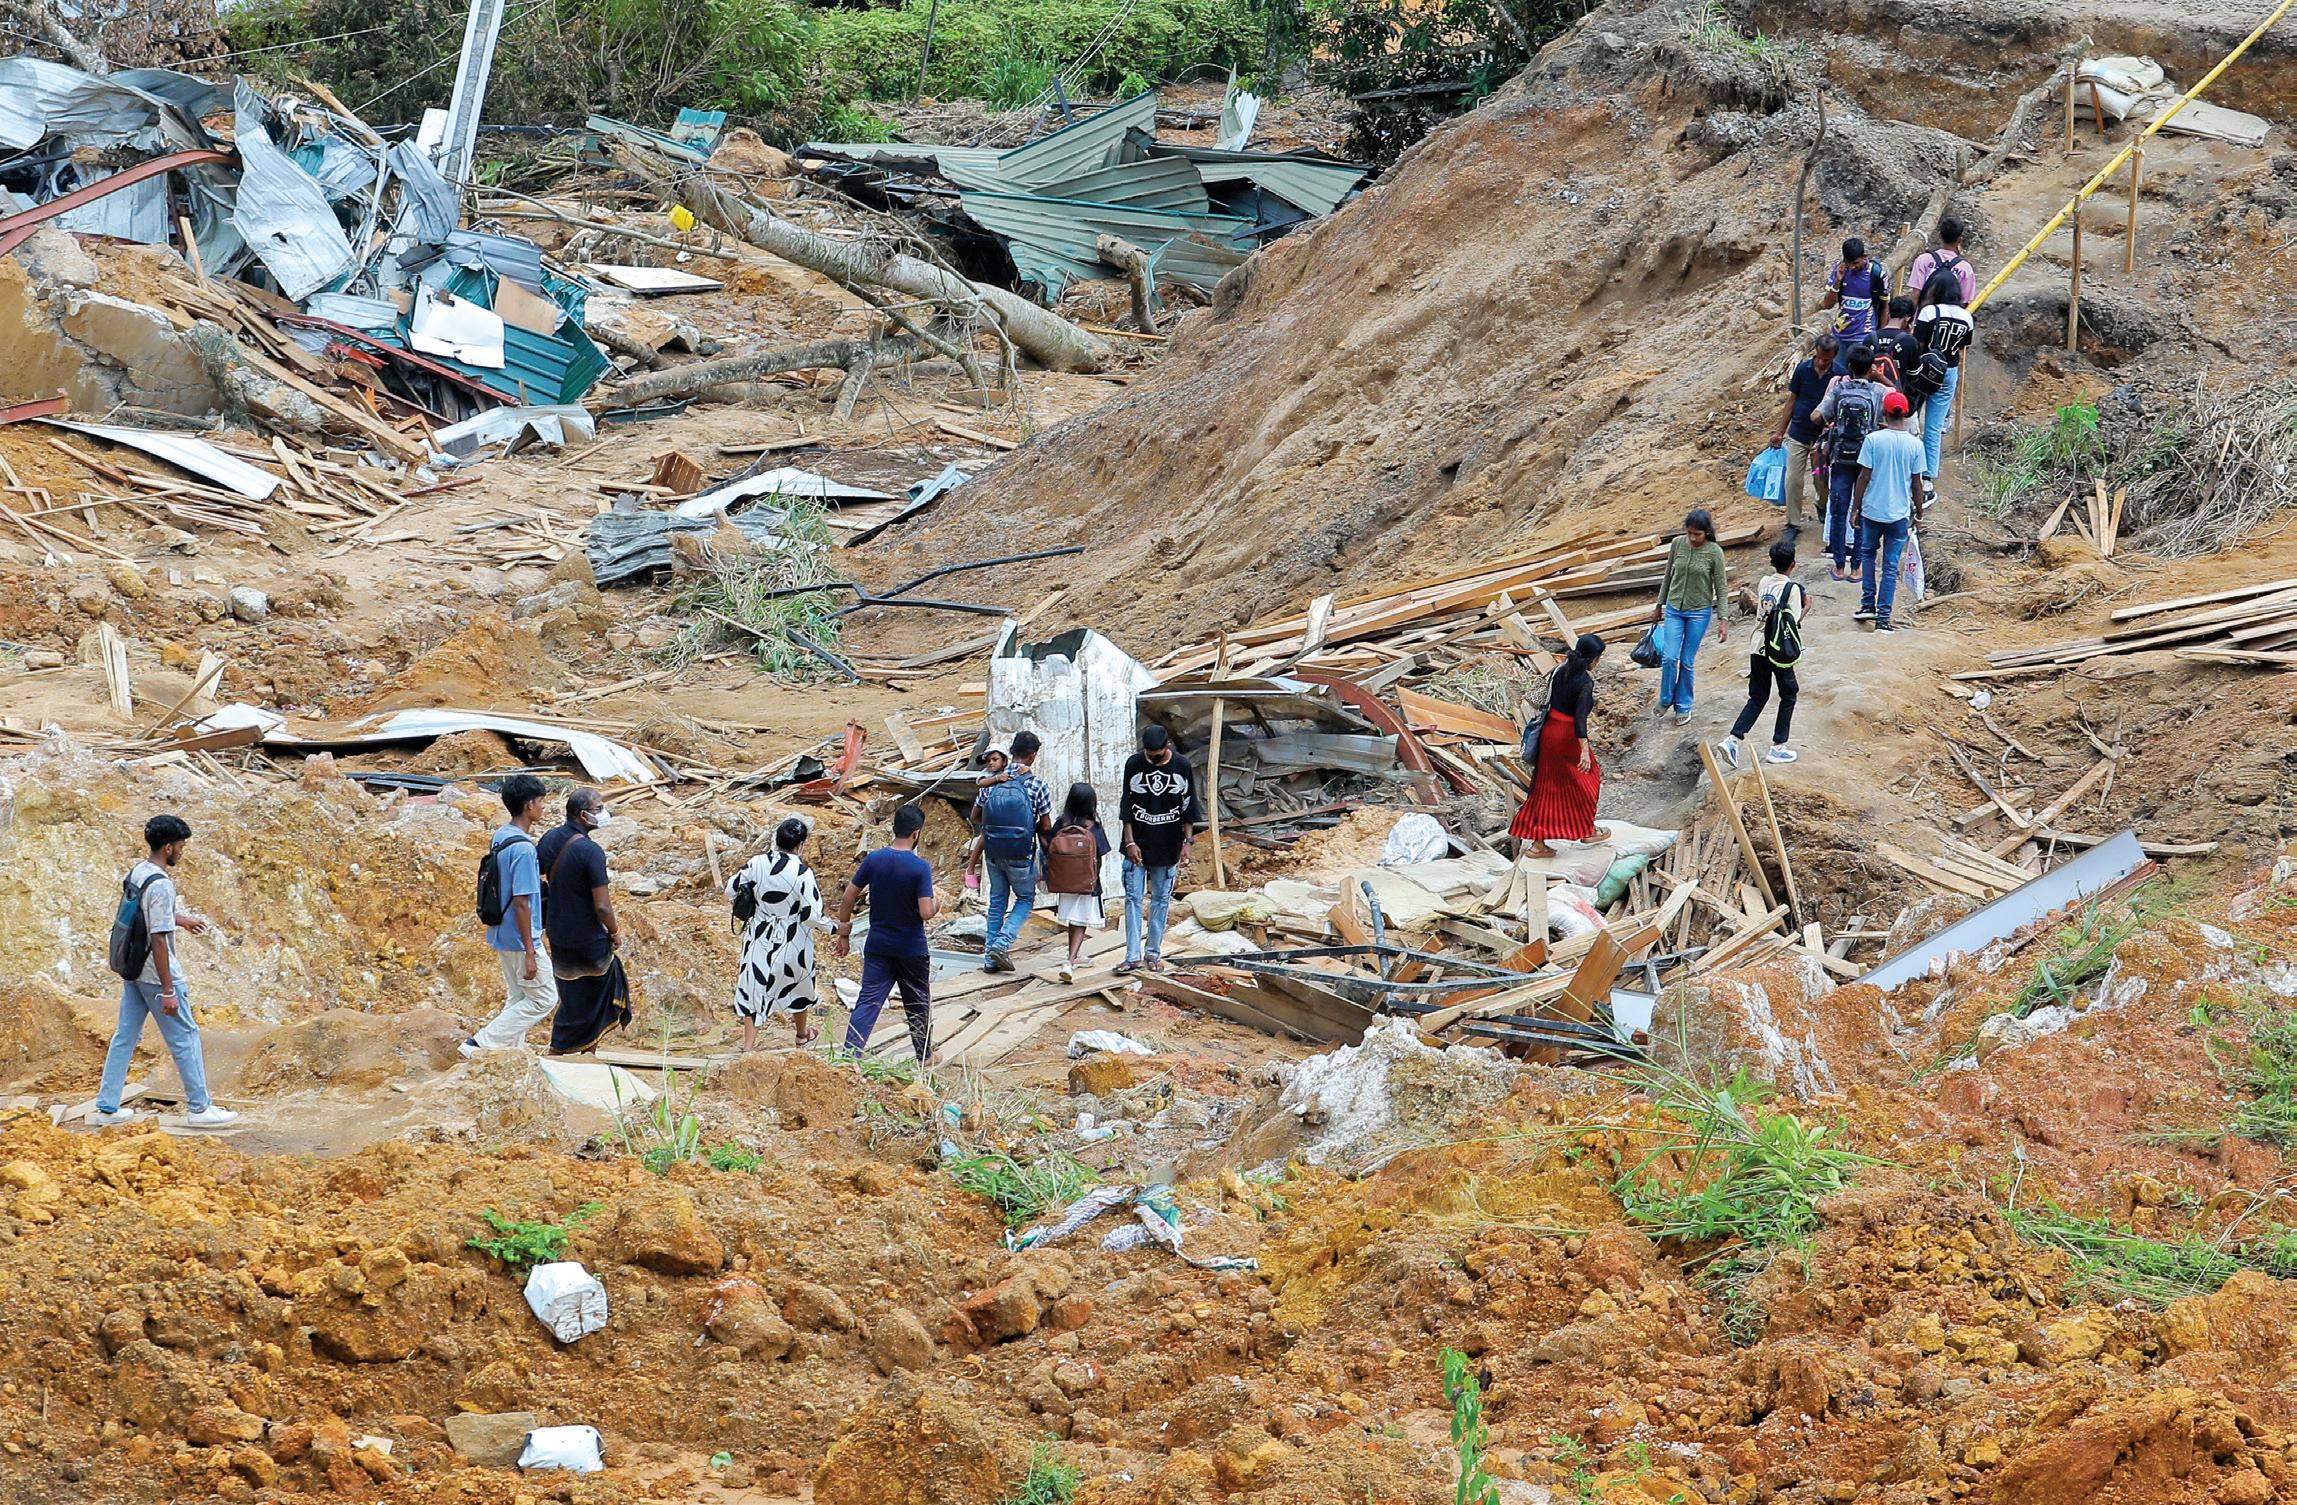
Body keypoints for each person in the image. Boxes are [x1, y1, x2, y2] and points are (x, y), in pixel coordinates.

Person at [92, 815, 238, 1127]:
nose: (182, 852)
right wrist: (169, 990)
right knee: (185, 1036)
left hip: (132, 970)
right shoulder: (162, 885)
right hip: (156, 976)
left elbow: (145, 915)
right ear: (168, 847)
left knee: (125, 1037)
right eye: (181, 846)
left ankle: (107, 1106)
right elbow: (158, 939)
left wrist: (180, 920)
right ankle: (200, 1108)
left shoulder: (139, 872)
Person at [834, 803, 940, 1065]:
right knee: (916, 1000)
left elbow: (848, 897)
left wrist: (844, 932)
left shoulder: (874, 860)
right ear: (916, 833)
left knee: (868, 1000)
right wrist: (938, 903)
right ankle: (924, 1056)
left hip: (878, 944)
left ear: (895, 829)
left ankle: (850, 1055)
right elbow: (926, 912)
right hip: (910, 948)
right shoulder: (919, 868)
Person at [462, 774, 555, 1056]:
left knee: (518, 997)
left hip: (500, 931)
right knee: (544, 999)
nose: (543, 808)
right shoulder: (525, 849)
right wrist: (531, 951)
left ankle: (511, 1056)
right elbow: (522, 903)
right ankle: (480, 1043)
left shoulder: (502, 836)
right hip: (520, 936)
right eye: (540, 802)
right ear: (529, 805)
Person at [536, 788, 629, 1056]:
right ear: (583, 815)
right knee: (603, 990)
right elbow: (602, 905)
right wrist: (614, 931)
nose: (603, 813)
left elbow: (540, 874)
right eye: (599, 809)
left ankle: (567, 1050)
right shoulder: (591, 852)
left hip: (557, 931)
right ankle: (581, 1052)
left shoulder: (550, 839)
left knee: (572, 994)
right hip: (588, 935)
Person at [1509, 635, 1609, 856]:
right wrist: (1584, 750)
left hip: (1549, 732)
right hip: (1567, 737)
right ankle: (1587, 830)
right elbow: (1580, 719)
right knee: (1587, 781)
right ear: (1593, 660)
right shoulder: (1585, 682)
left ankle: (1538, 843)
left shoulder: (1560, 669)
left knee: (1545, 788)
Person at [730, 817, 825, 1051]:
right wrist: (833, 928)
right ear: (800, 845)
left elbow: (731, 890)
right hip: (794, 938)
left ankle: (748, 1046)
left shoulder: (756, 863)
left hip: (760, 934)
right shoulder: (803, 873)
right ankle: (802, 1034)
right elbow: (812, 914)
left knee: (754, 985)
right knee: (799, 984)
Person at [1116, 724, 1199, 975]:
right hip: (1137, 844)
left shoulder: (1182, 766)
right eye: (1149, 755)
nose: (1152, 759)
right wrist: (1130, 842)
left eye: (1157, 755)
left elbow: (1189, 807)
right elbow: (1126, 807)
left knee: (1161, 900)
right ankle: (1131, 956)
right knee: (1132, 899)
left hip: (1168, 844)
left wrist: (1187, 843)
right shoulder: (1134, 763)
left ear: (1167, 747)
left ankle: (1153, 953)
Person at [1720, 538, 1808, 769]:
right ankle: (1778, 746)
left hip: (1757, 645)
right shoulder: (1793, 589)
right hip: (1778, 649)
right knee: (1789, 692)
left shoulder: (1764, 582)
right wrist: (1807, 607)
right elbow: (1793, 621)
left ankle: (1733, 740)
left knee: (1758, 696)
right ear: (1793, 565)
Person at [973, 729, 1052, 972]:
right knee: (1025, 898)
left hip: (993, 852)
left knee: (997, 902)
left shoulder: (993, 779)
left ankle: (989, 959)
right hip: (1020, 854)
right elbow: (1046, 826)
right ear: (1032, 756)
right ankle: (1002, 943)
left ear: (1011, 753)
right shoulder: (1037, 785)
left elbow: (975, 816)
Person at [1851, 391, 1929, 633]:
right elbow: (1917, 483)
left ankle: (1867, 605)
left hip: (1872, 510)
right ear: (1905, 414)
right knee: (1890, 565)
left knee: (1867, 556)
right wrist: (1918, 512)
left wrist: (1856, 506)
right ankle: (1884, 618)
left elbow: (1864, 476)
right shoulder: (1915, 444)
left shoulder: (1874, 440)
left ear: (1884, 412)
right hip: (1898, 514)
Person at [1813, 345, 1891, 581]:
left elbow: (1816, 416)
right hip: (1867, 459)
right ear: (1871, 368)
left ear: (1848, 367)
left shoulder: (1839, 389)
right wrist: (1880, 377)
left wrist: (1833, 423)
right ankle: (1857, 568)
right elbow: (1901, 403)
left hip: (1841, 458)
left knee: (1838, 509)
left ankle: (1838, 566)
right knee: (1862, 510)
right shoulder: (1879, 391)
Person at [1650, 508, 1728, 726]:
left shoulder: (1714, 553)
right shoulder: (1677, 544)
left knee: (1686, 661)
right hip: (1674, 609)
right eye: (1689, 533)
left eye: (1697, 534)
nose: (1692, 538)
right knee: (1669, 657)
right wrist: (1659, 605)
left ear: (1706, 533)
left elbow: (1721, 587)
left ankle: (1683, 705)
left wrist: (1724, 619)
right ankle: (1666, 698)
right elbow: (1668, 575)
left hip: (1698, 613)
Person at [1910, 268, 1976, 508]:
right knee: (1935, 426)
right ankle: (1927, 480)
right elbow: (1964, 344)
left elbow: (1919, 343)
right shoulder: (1967, 317)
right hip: (1949, 371)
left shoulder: (1929, 312)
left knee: (1911, 418)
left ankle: (1908, 469)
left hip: (1924, 369)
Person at [1768, 331, 1838, 545]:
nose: (1822, 363)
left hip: (1822, 440)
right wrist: (1780, 431)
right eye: (1819, 357)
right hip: (1798, 433)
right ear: (1815, 352)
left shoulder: (1839, 375)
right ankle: (1792, 523)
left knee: (1822, 480)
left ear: (1834, 356)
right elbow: (1791, 401)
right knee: (1793, 480)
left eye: (1827, 359)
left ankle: (1821, 505)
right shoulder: (1802, 370)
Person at [1044, 783, 1112, 984]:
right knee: (1080, 922)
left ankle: (1076, 954)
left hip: (1065, 883)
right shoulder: (1094, 827)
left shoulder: (1061, 824)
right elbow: (1101, 853)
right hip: (1087, 883)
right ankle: (1070, 962)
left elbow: (1048, 846)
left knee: (1074, 920)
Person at [1820, 237, 1888, 361]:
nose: (1851, 267)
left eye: (1855, 263)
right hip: (1839, 335)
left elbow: (1884, 305)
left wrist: (1881, 336)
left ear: (1864, 256)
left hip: (1864, 337)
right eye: (1848, 263)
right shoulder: (1840, 270)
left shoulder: (1876, 274)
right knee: (1837, 375)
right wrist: (1837, 282)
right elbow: (1827, 304)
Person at [961, 748, 1011, 892]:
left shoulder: (1009, 774)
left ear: (1004, 761)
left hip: (1004, 816)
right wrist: (996, 779)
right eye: (988, 760)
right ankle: (970, 869)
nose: (991, 763)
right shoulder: (988, 775)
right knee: (983, 837)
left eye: (995, 759)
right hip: (986, 808)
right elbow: (980, 783)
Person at [1903, 216, 1977, 305]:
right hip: (1950, 317)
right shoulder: (1965, 269)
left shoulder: (1923, 260)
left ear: (1940, 236)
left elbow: (1915, 294)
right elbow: (1964, 302)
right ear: (1959, 240)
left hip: (1925, 316)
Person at [1873, 295, 1920, 394]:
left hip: (1872, 397)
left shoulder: (1870, 338)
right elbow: (1914, 376)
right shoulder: (1910, 342)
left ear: (1889, 313)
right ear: (1907, 318)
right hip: (1896, 398)